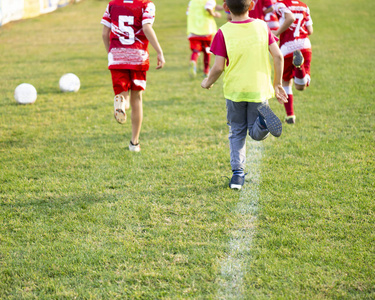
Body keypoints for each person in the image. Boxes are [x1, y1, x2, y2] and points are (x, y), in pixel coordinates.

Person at [201, 0, 287, 190]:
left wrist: (207, 82)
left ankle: (238, 175)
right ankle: (263, 123)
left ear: (226, 7)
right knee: (255, 133)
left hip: (235, 91)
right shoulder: (262, 27)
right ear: (251, 6)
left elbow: (217, 66)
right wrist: (278, 84)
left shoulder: (223, 32)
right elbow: (278, 56)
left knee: (237, 131)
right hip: (259, 89)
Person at [101, 0, 165, 152]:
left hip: (117, 56)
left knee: (123, 96)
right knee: (137, 98)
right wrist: (160, 52)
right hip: (138, 57)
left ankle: (121, 104)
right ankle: (134, 143)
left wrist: (111, 53)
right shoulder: (146, 4)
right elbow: (146, 27)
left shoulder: (112, 4)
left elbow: (105, 33)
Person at [273, 0, 313, 124]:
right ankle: (299, 67)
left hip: (287, 46)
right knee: (301, 86)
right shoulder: (304, 6)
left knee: (286, 82)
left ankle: (290, 115)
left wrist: (276, 33)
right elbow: (310, 30)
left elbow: (289, 19)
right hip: (304, 44)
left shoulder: (280, 4)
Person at [187, 0, 223, 77]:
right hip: (206, 30)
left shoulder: (192, 2)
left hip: (193, 30)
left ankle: (193, 60)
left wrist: (218, 7)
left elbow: (188, 12)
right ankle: (206, 71)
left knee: (196, 50)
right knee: (207, 51)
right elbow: (208, 7)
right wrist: (215, 14)